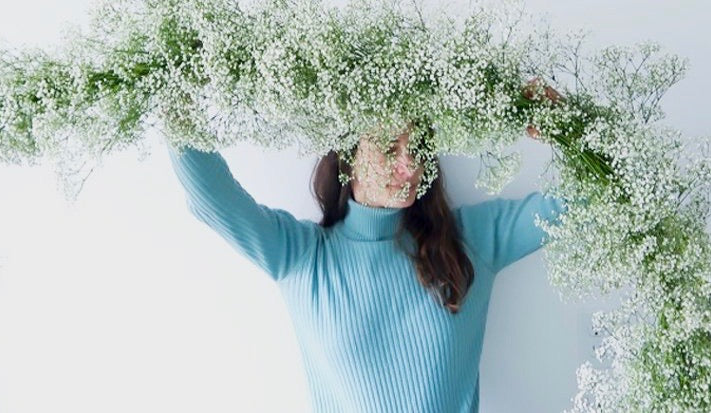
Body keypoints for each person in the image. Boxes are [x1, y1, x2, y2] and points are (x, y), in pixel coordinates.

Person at [166, 78, 569, 412]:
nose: (410, 166)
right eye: (391, 147)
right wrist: (179, 89)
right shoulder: (301, 257)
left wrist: (564, 125)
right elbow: (209, 196)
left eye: (419, 149)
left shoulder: (471, 240)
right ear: (349, 156)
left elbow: (583, 202)